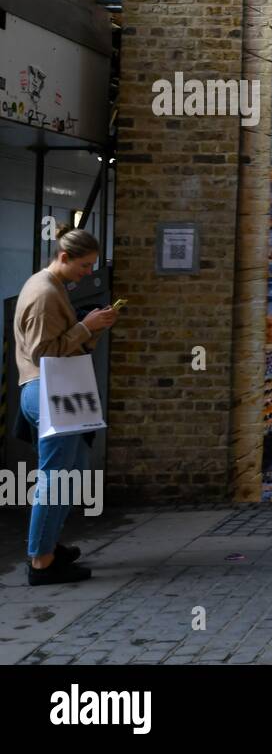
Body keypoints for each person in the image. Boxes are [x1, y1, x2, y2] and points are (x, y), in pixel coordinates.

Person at [13, 224, 118, 586]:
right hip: (49, 389)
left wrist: (94, 326)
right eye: (84, 266)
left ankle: (47, 547)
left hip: (52, 390)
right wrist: (87, 327)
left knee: (70, 474)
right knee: (56, 479)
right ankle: (41, 561)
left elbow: (61, 344)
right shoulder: (44, 292)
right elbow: (44, 353)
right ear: (63, 257)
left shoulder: (50, 286)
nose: (87, 273)